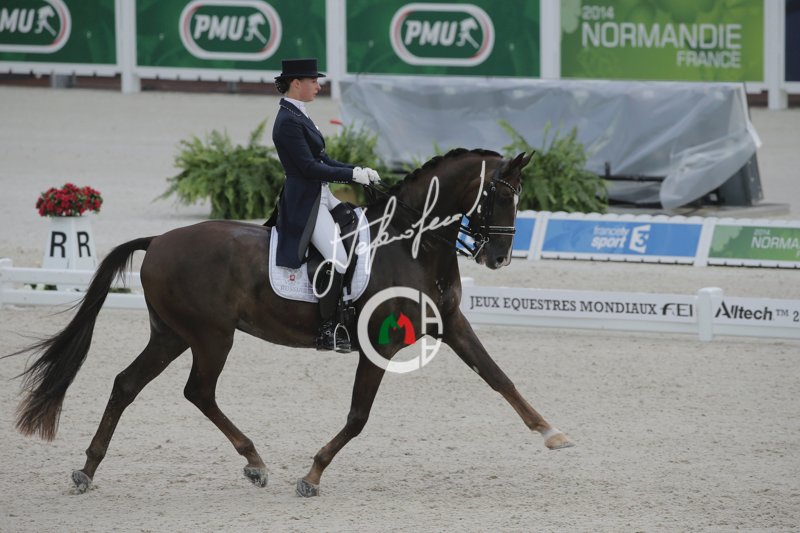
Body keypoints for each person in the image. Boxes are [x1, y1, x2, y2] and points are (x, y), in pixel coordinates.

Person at [271, 58, 380, 353]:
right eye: (313, 81)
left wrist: (357, 170)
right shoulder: (287, 122)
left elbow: (324, 160)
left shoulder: (299, 114)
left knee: (359, 227)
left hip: (322, 194)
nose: (318, 87)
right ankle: (328, 327)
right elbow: (309, 168)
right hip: (306, 201)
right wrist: (350, 176)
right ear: (297, 83)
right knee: (338, 258)